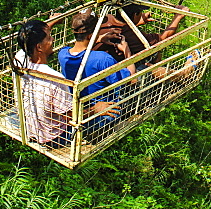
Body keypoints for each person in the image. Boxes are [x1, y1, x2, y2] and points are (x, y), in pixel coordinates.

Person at [57, 9, 135, 136]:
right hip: (102, 117)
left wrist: (98, 39)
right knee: (145, 71)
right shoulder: (102, 59)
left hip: (79, 109)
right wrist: (127, 51)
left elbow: (82, 50)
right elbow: (132, 78)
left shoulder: (63, 54)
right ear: (90, 35)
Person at [13, 19, 72, 148]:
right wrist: (95, 109)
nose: (52, 41)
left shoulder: (18, 62)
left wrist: (46, 26)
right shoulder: (56, 79)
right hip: (54, 138)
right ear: (39, 47)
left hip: (31, 130)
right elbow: (72, 117)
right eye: (49, 38)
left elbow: (27, 42)